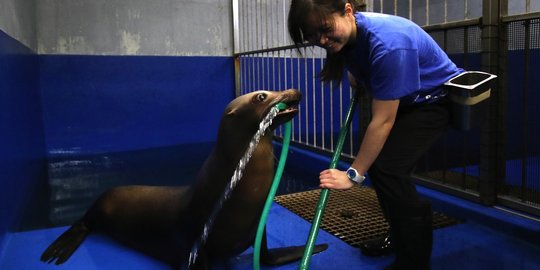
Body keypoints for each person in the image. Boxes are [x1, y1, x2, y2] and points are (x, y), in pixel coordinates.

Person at [288, 1, 464, 269]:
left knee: (389, 169)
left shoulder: (389, 44)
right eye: (312, 36)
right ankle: (400, 236)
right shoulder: (348, 34)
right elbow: (355, 57)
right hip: (407, 99)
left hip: (432, 101)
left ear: (348, 11)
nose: (321, 40)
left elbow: (382, 121)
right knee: (382, 169)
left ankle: (414, 261)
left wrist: (353, 175)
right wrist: (357, 73)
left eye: (324, 30)